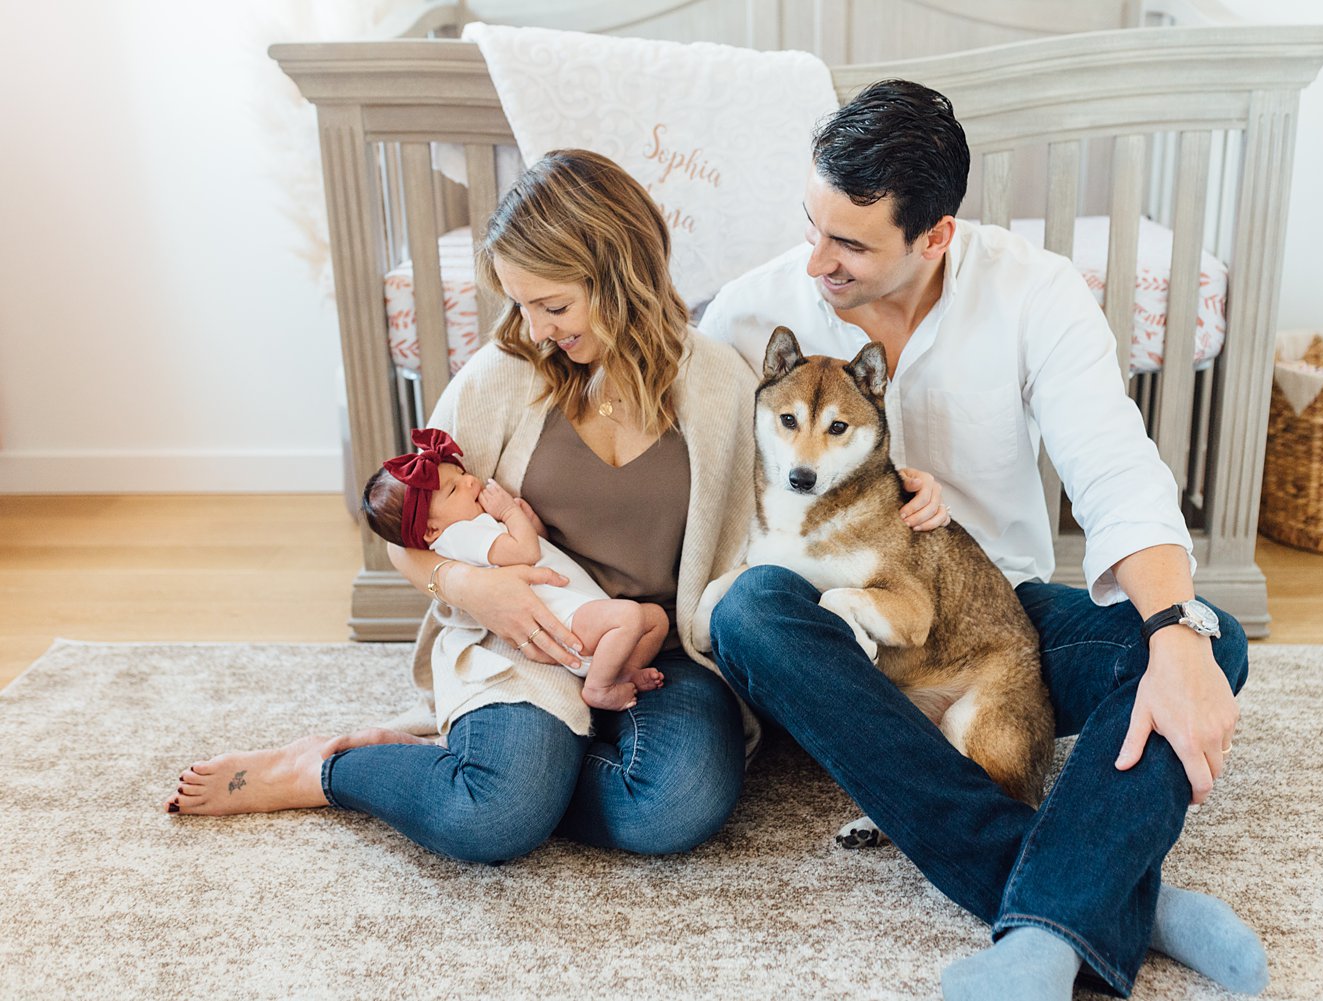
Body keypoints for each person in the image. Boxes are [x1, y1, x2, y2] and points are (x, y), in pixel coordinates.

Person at [699, 81, 1267, 1000]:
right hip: (836, 636)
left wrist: (1170, 631)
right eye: (811, 224)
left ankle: (1051, 920)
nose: (817, 262)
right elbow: (684, 452)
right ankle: (1114, 901)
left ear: (935, 234)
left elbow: (1116, 467)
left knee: (1205, 635)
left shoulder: (1032, 290)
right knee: (750, 614)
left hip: (994, 611)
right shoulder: (753, 308)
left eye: (850, 242)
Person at [164, 149, 759, 865]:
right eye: (523, 305)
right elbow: (402, 530)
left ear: (619, 274)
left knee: (672, 807)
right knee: (492, 818)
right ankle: (326, 769)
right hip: (522, 637)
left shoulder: (721, 385)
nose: (537, 329)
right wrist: (473, 586)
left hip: (657, 651)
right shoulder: (501, 380)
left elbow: (760, 535)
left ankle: (486, 762)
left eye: (554, 304)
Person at [362, 427, 669, 710]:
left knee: (655, 619)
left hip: (582, 610)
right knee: (630, 616)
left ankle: (619, 671)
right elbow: (525, 551)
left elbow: (538, 551)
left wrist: (528, 523)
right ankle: (598, 688)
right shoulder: (460, 536)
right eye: (454, 490)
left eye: (460, 473)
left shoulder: (475, 526)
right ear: (431, 530)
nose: (470, 480)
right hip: (567, 622)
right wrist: (509, 512)